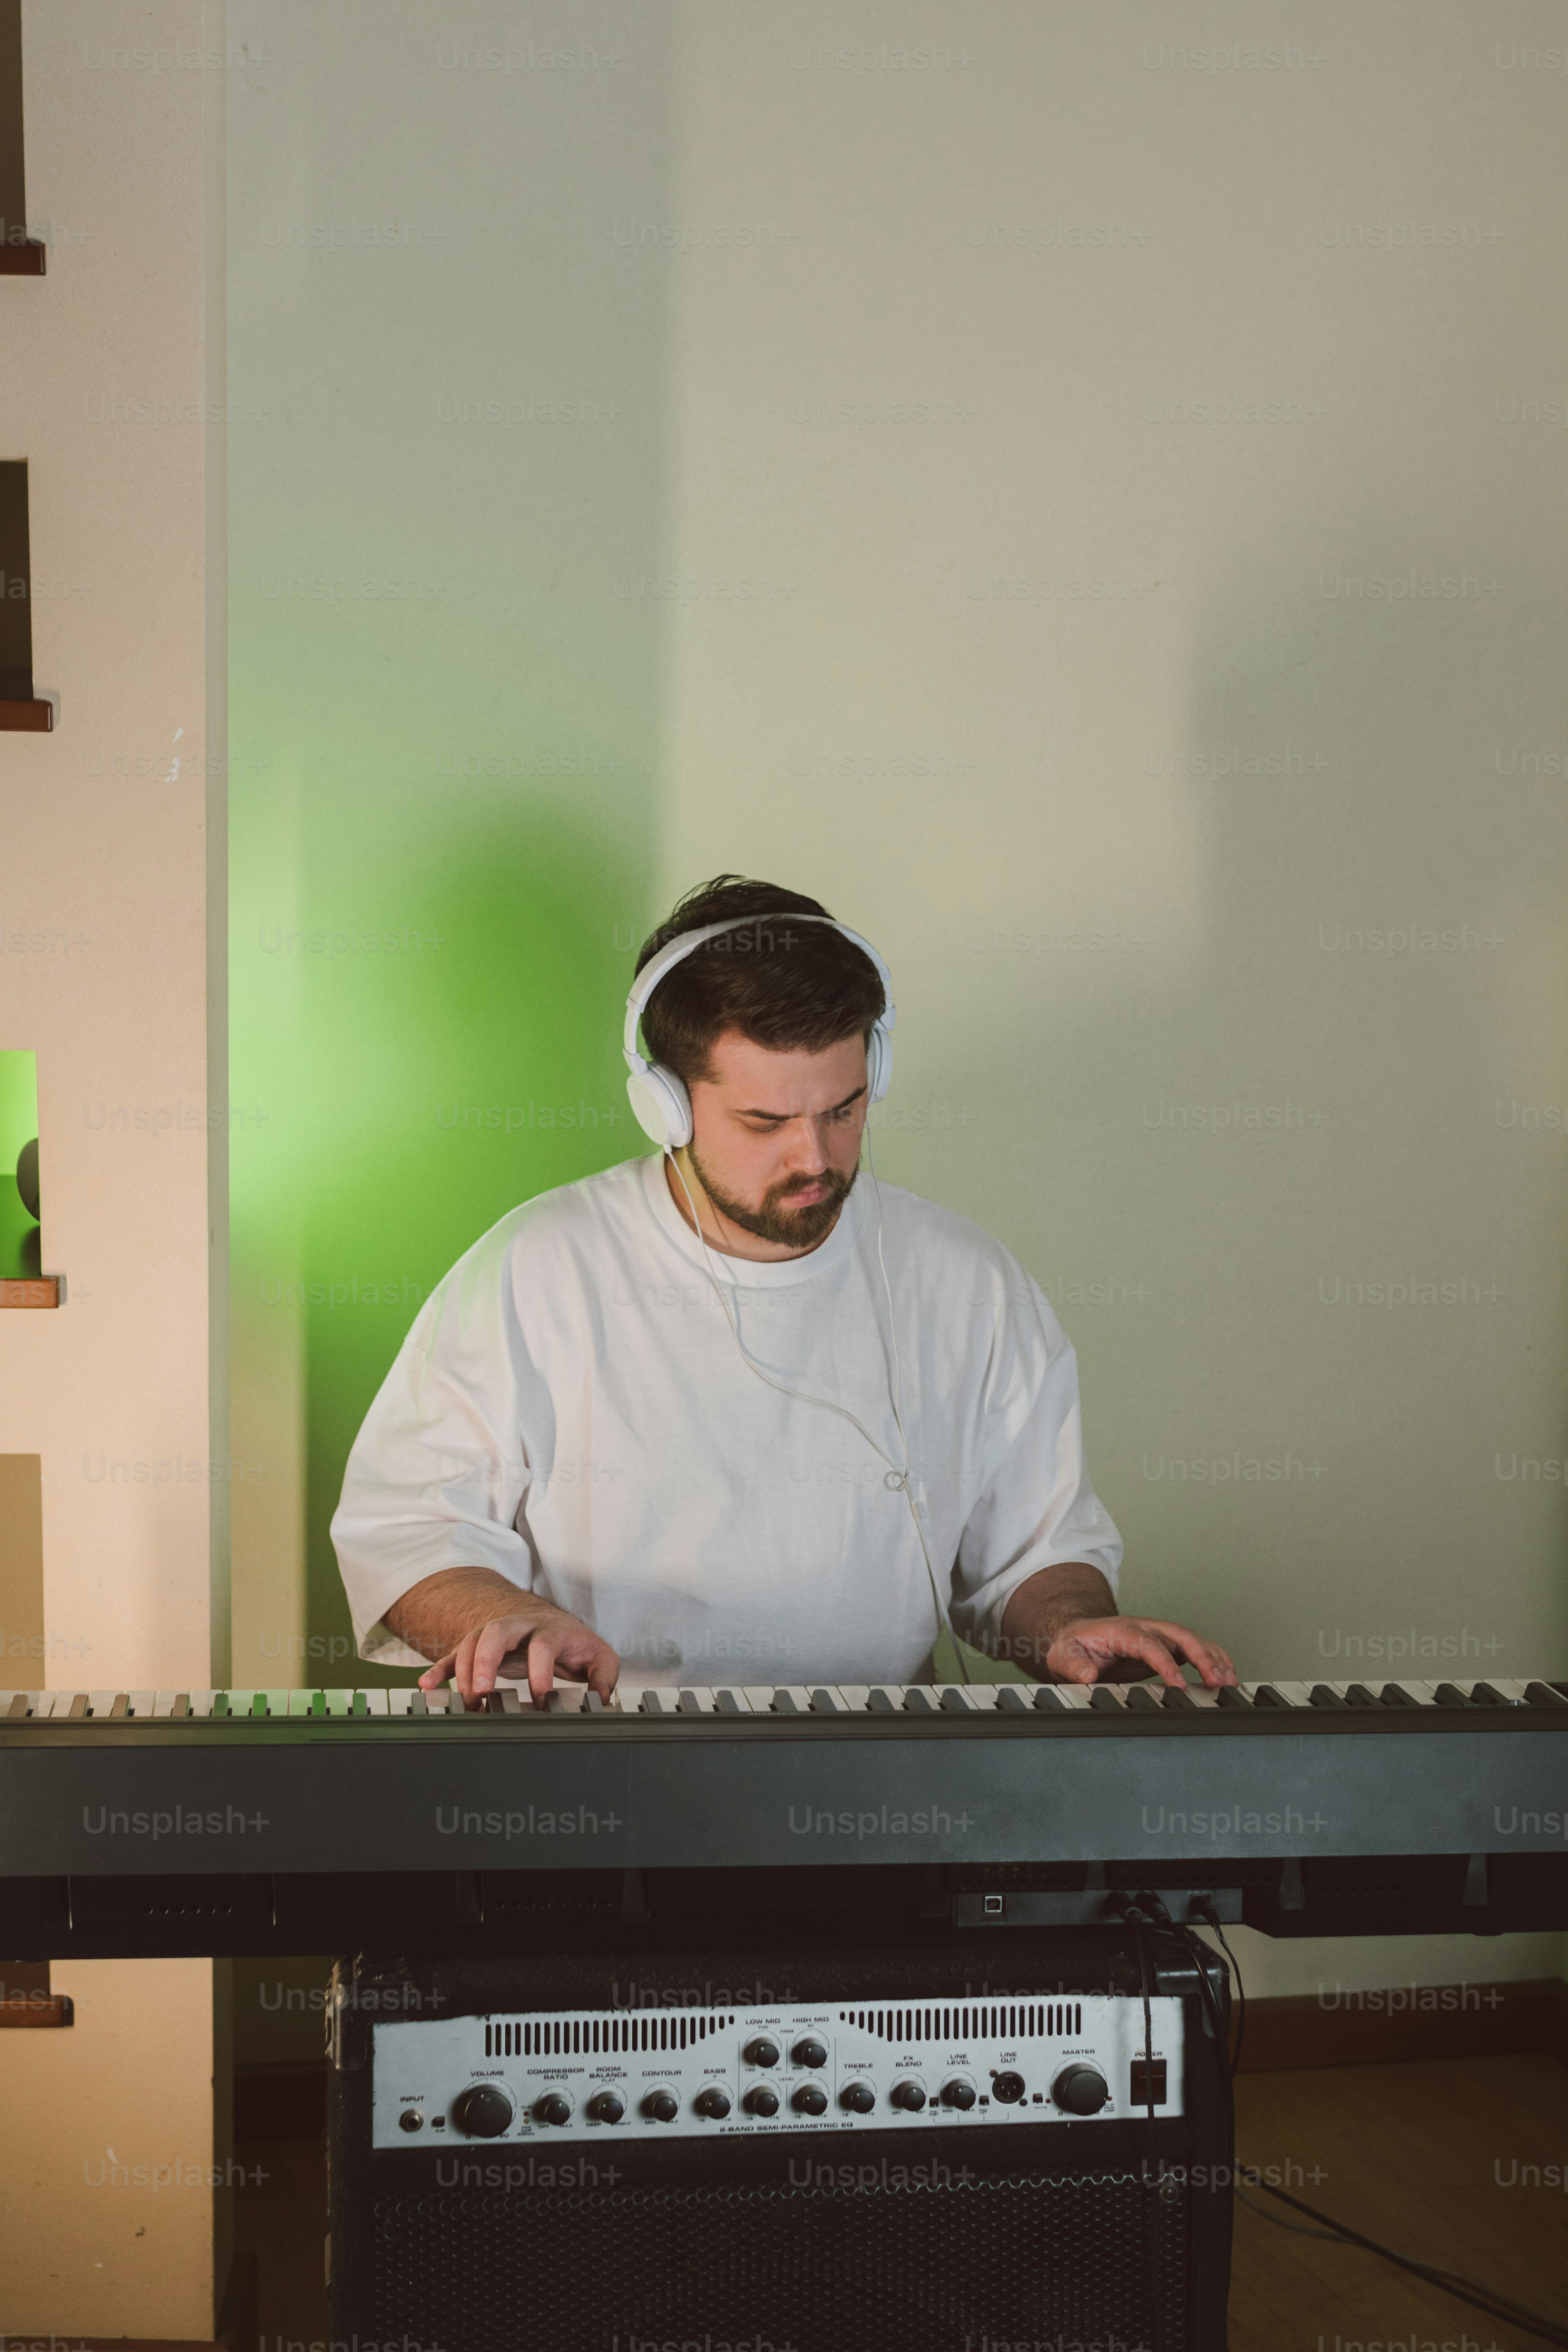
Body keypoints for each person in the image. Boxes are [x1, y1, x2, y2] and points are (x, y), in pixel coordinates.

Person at [330, 875, 1236, 1708]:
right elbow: (409, 1526)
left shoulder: (965, 1281)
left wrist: (1071, 1624)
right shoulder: (538, 1269)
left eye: (841, 1111)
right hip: (604, 1770)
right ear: (667, 1105)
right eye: (764, 1122)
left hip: (887, 1786)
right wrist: (495, 1614)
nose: (814, 1159)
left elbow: (1038, 1552)